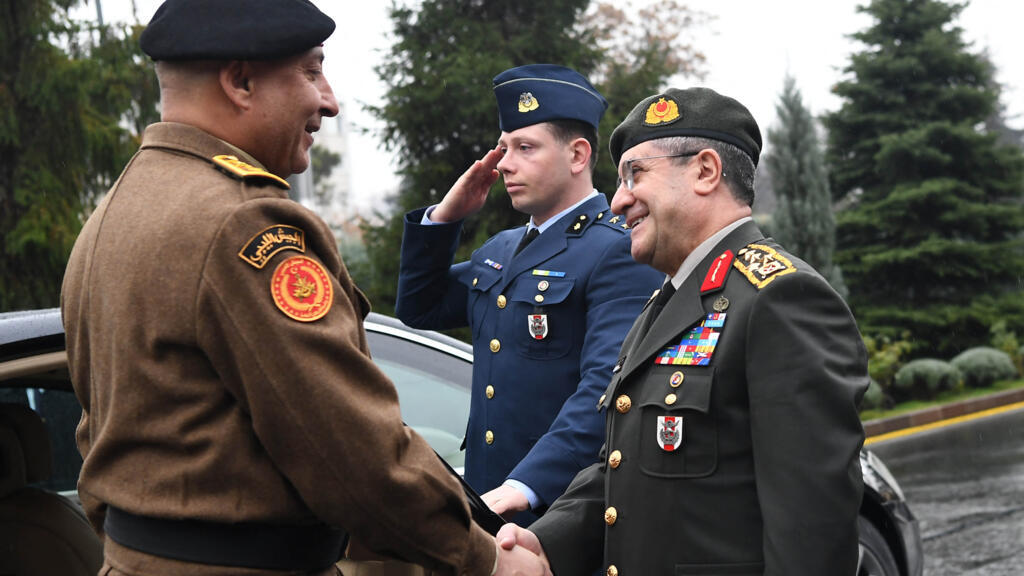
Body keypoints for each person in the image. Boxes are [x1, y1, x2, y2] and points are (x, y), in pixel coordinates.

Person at [60, 1, 548, 575]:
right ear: (241, 81)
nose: (329, 100)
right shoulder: (243, 223)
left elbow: (101, 440)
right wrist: (484, 558)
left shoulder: (115, 213)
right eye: (311, 70)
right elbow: (350, 450)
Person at [496, 87, 870, 575]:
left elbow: (811, 528)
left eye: (636, 174)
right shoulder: (669, 302)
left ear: (705, 171)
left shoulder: (779, 299)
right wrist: (547, 544)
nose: (617, 201)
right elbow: (626, 468)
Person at [395, 65, 664, 525]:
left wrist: (526, 486)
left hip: (561, 510)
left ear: (578, 155)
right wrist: (444, 217)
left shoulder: (617, 249)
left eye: (525, 148)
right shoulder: (500, 250)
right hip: (486, 504)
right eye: (503, 148)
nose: (503, 164)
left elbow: (606, 388)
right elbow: (419, 306)